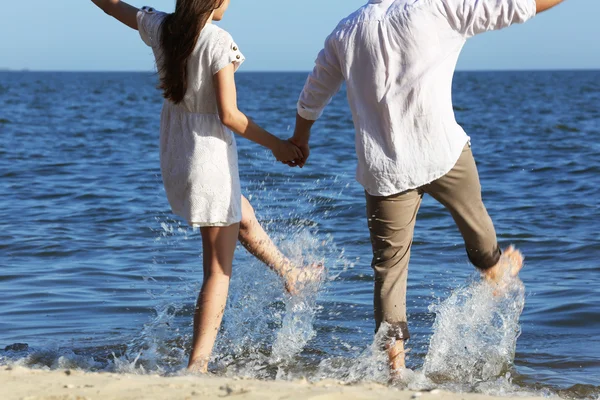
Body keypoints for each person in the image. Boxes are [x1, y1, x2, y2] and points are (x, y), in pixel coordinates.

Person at [289, 0, 565, 376]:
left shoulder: (345, 31)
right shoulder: (436, 8)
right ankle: (492, 265)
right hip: (442, 152)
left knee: (389, 271)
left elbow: (314, 90)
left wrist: (300, 139)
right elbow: (511, 6)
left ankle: (396, 369)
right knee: (477, 223)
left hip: (385, 167)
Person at [91, 0, 318, 373]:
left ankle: (289, 272)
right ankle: (197, 365)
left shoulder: (163, 27)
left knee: (240, 214)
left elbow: (113, 7)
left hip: (177, 155)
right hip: (207, 158)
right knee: (217, 270)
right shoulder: (217, 40)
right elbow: (229, 115)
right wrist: (278, 145)